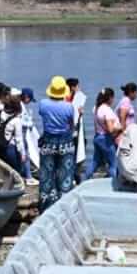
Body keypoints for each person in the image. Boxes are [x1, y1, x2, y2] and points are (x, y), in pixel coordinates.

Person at [38, 76, 76, 212]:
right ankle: (64, 207)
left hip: (48, 142)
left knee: (47, 175)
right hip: (66, 142)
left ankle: (45, 205)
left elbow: (42, 116)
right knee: (65, 174)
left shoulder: (43, 104)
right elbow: (71, 125)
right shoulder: (69, 107)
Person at [85, 88, 121, 180]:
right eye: (113, 98)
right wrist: (121, 128)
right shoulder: (107, 110)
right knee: (113, 163)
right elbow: (110, 129)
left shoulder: (96, 108)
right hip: (106, 139)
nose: (113, 100)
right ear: (109, 98)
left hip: (97, 137)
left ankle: (85, 180)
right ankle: (114, 184)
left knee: (95, 162)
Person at [0, 92, 27, 175]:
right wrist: (23, 154)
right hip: (9, 148)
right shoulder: (16, 120)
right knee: (14, 172)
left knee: (0, 171)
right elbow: (19, 140)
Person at [67, 77, 87, 184]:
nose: (79, 88)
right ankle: (74, 176)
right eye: (78, 86)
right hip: (72, 132)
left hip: (75, 131)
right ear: (73, 87)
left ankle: (75, 175)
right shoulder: (69, 100)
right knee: (72, 155)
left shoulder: (75, 98)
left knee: (74, 154)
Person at [19, 87, 40, 185]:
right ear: (26, 97)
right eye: (30, 99)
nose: (30, 102)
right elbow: (22, 122)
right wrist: (30, 123)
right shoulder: (20, 106)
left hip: (18, 134)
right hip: (20, 134)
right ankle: (28, 177)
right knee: (25, 154)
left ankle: (24, 174)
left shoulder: (19, 104)